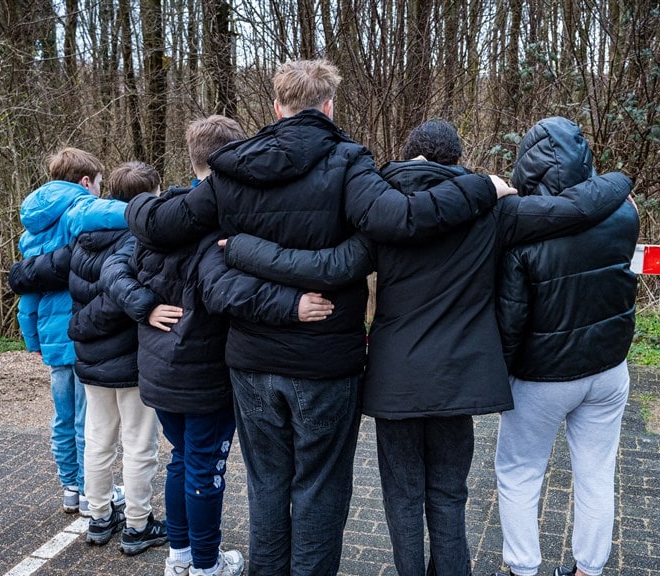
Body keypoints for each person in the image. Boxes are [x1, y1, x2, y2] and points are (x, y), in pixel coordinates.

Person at [126, 60, 516, 575]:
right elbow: (402, 219)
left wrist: (127, 207)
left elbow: (159, 222)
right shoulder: (350, 163)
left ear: (276, 106)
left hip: (251, 360)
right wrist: (483, 186)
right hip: (325, 363)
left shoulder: (229, 169)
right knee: (320, 489)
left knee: (267, 487)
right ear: (328, 106)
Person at [219, 119, 632, 576]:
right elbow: (571, 210)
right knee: (450, 494)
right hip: (460, 379)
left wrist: (241, 249)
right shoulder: (492, 208)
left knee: (402, 497)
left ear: (409, 153)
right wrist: (618, 183)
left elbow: (328, 267)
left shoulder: (381, 213)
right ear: (456, 159)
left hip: (396, 382)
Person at [114, 114, 337, 576]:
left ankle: (179, 556)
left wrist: (144, 305)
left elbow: (116, 268)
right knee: (204, 468)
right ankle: (205, 563)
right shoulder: (216, 222)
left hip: (160, 368)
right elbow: (223, 290)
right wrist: (291, 304)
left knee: (182, 461)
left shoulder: (161, 215)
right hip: (201, 372)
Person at [492, 117, 640, 576]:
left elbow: (511, 319)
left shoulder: (522, 232)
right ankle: (588, 570)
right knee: (596, 471)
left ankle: (523, 569)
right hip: (609, 368)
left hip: (543, 376)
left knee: (519, 472)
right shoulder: (624, 212)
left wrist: (500, 374)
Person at [14, 147, 128, 516]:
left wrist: (31, 336)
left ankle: (70, 487)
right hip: (77, 329)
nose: (98, 191)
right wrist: (152, 208)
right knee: (86, 419)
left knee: (62, 417)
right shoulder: (78, 208)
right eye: (98, 184)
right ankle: (95, 491)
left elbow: (27, 292)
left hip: (49, 333)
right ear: (85, 181)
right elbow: (118, 213)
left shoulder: (32, 225)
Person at [65, 160, 169, 554]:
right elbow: (115, 299)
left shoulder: (83, 234)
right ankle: (138, 524)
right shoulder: (136, 239)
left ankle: (99, 516)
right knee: (140, 443)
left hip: (91, 356)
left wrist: (80, 329)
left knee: (98, 438)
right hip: (127, 356)